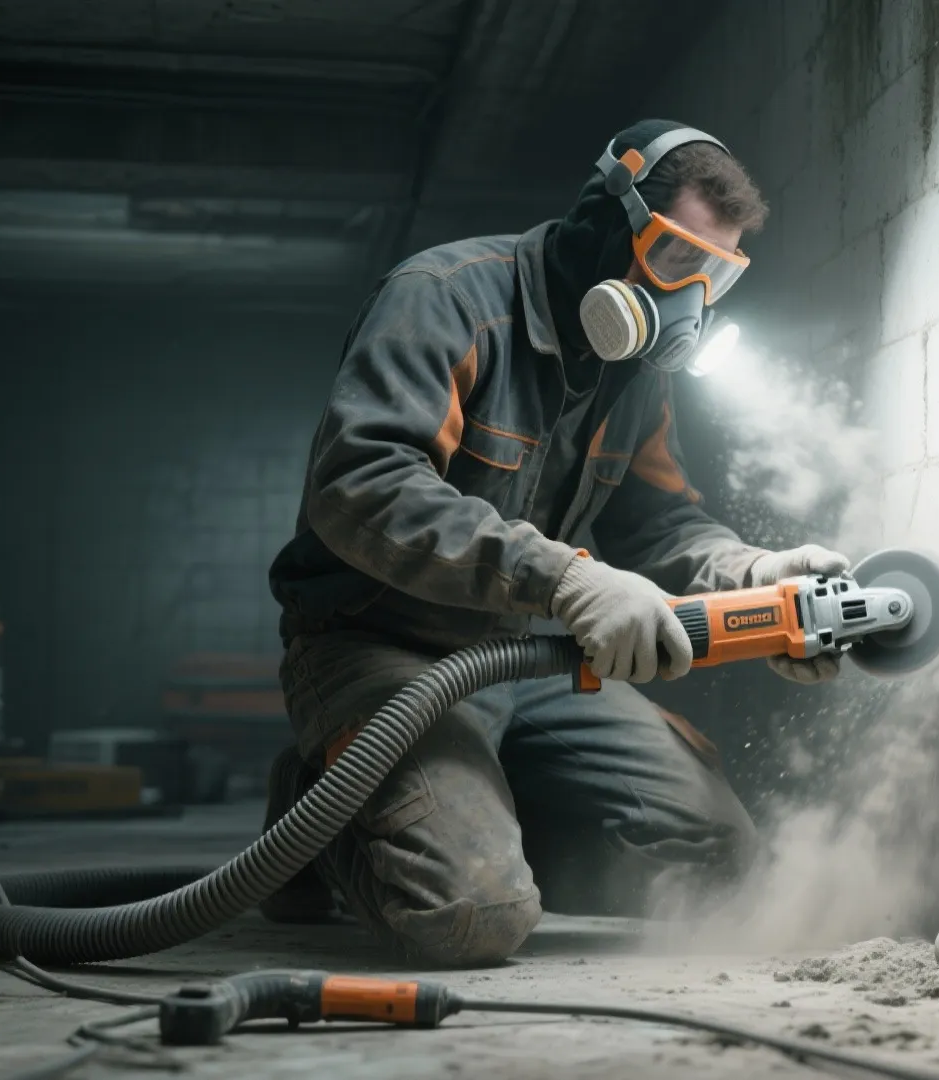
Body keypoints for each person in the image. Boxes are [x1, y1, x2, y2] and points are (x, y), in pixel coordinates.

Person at [262, 119, 850, 966]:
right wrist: (567, 579)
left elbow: (660, 523)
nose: (689, 298)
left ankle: (465, 810)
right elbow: (362, 486)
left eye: (715, 275)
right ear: (603, 223)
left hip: (527, 658)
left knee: (719, 861)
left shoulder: (634, 371)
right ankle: (325, 806)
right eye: (676, 257)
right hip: (379, 646)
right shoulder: (445, 299)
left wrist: (756, 573)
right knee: (471, 916)